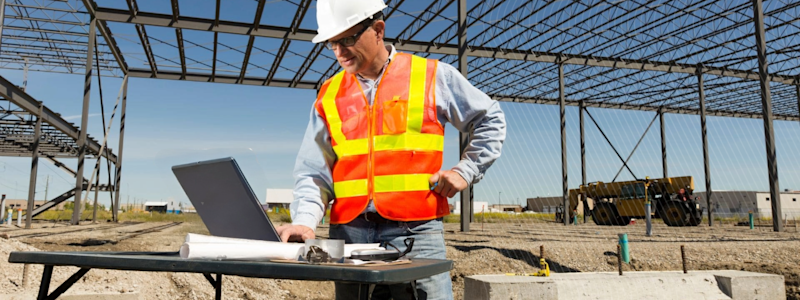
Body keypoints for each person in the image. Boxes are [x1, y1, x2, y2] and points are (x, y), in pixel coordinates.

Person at [276, 0, 506, 298]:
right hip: (349, 234)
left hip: (416, 232)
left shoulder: (431, 75)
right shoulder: (329, 93)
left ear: (378, 30)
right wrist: (305, 222)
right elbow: (313, 171)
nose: (339, 52)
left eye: (347, 39)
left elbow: (490, 117)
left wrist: (468, 170)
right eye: (331, 43)